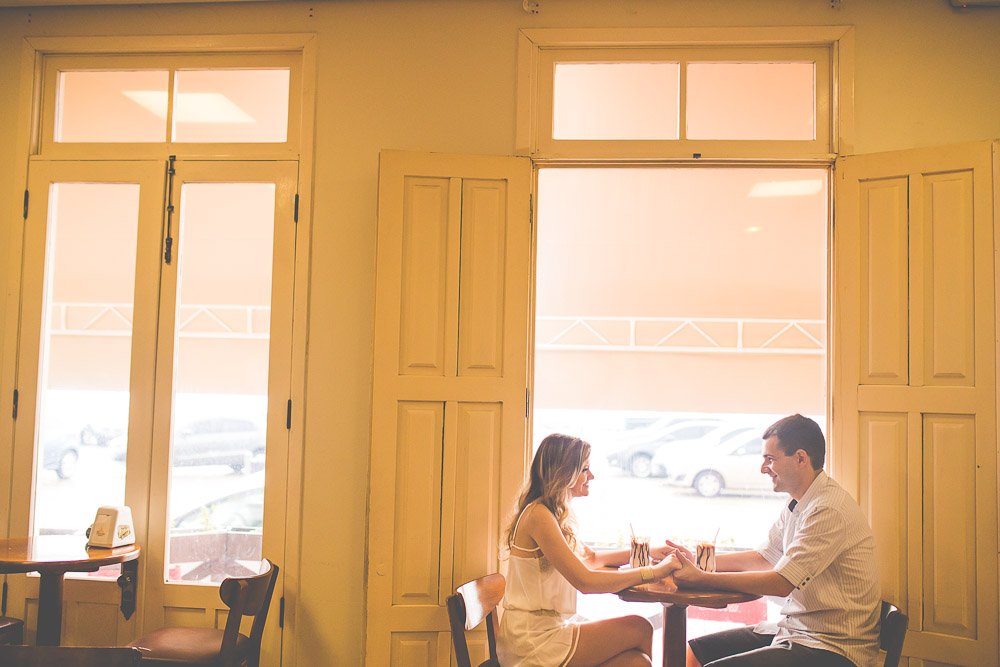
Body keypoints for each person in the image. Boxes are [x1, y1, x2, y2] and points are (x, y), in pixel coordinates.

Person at [668, 414, 880, 667]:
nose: (763, 468)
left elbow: (781, 583)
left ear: (800, 458)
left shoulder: (828, 509)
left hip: (833, 647)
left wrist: (702, 577)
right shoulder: (799, 502)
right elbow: (764, 557)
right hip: (798, 631)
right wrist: (697, 561)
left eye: (770, 459)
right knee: (696, 652)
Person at [498, 433, 681, 667]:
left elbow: (591, 559)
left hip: (543, 631)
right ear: (564, 473)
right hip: (532, 640)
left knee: (638, 662)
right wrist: (653, 572)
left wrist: (647, 552)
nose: (591, 476)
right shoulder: (539, 516)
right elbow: (585, 582)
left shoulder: (551, 513)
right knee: (640, 628)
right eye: (585, 469)